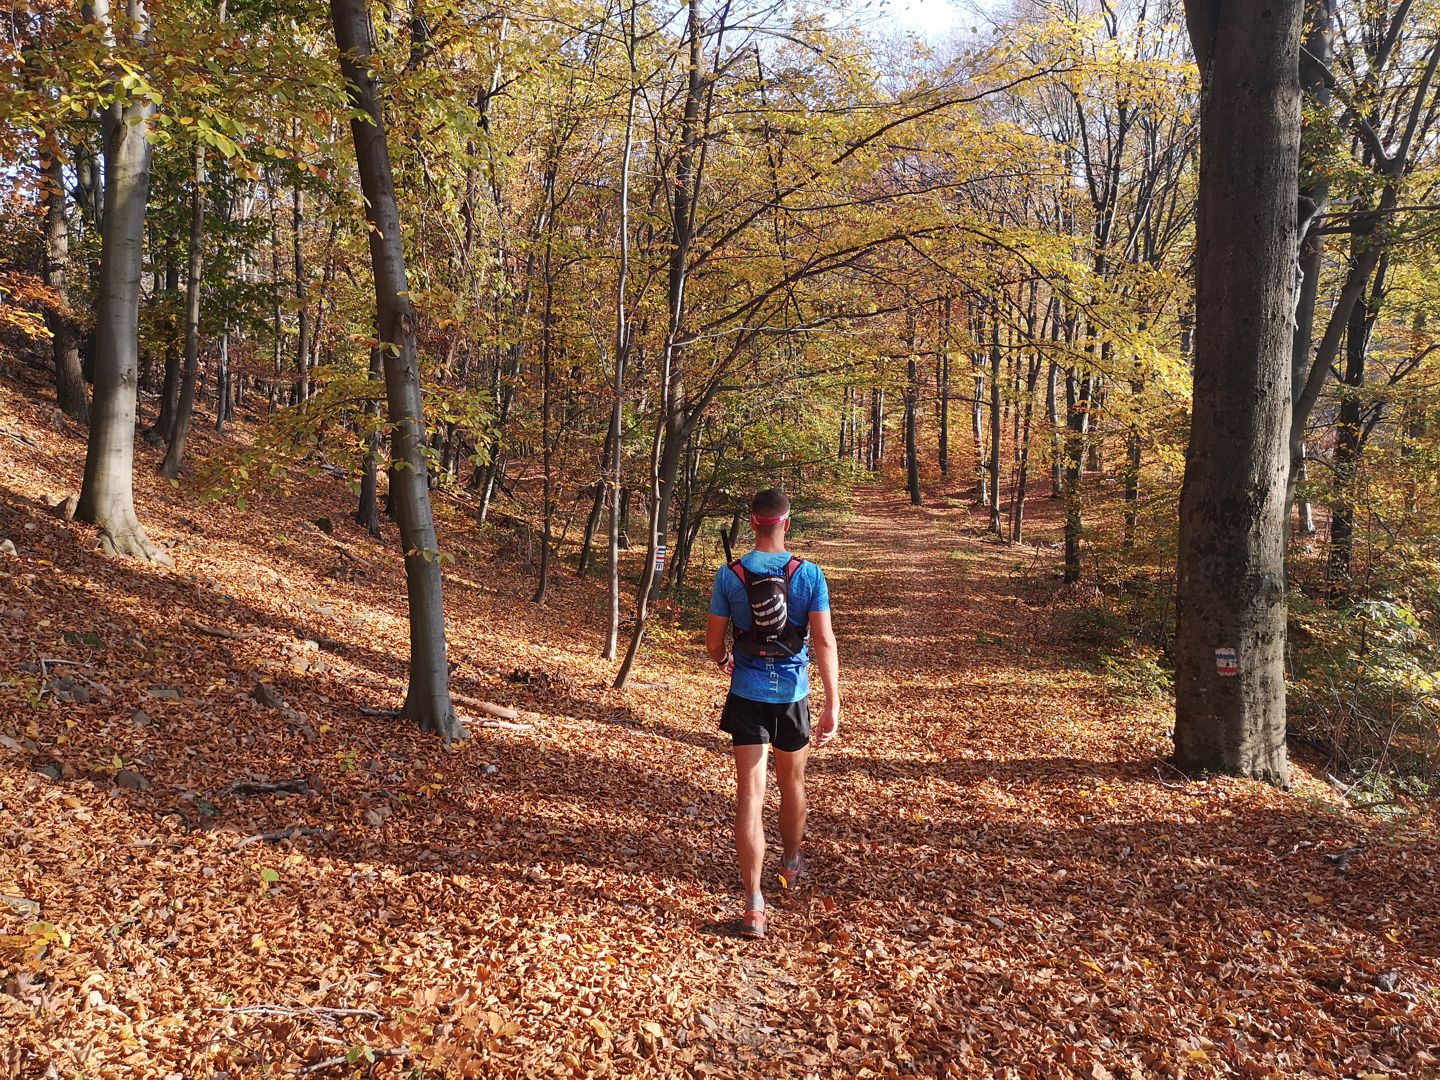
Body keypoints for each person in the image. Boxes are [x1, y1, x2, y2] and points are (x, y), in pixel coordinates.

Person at [706, 487, 839, 939]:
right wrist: (832, 704)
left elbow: (712, 644)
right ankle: (790, 861)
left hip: (746, 693)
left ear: (752, 521)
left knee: (750, 795)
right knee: (793, 783)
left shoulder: (729, 575)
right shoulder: (810, 575)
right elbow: (822, 642)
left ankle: (753, 904)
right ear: (787, 520)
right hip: (793, 696)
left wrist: (723, 659)